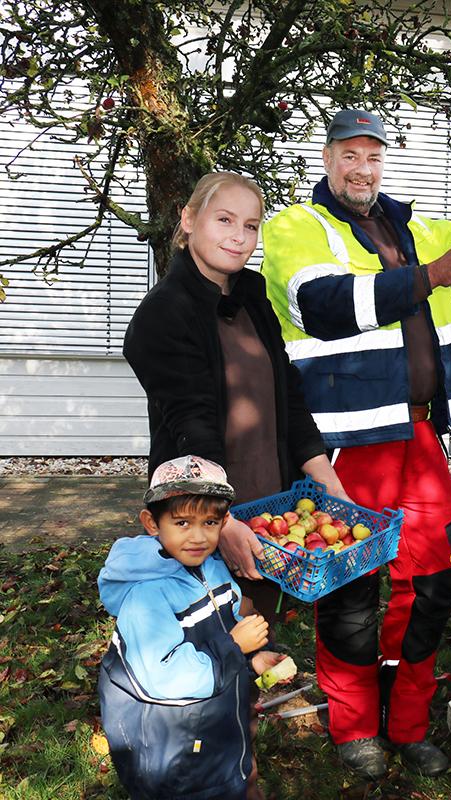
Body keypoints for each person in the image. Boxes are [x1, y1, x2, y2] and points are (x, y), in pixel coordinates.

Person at [259, 109, 451, 778]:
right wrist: (430, 272)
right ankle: (353, 729)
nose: (362, 167)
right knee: (352, 590)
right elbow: (324, 304)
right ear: (326, 158)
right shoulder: (296, 226)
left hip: (423, 434)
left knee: (429, 588)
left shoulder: (412, 224)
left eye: (373, 155)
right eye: (349, 153)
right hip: (350, 439)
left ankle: (405, 724)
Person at [122, 171, 347, 640]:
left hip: (270, 510)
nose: (239, 236)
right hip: (202, 515)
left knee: (256, 641)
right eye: (224, 219)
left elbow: (287, 393)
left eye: (250, 225)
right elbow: (192, 426)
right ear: (188, 219)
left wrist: (328, 480)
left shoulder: (252, 298)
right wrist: (222, 520)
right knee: (205, 648)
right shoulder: (164, 311)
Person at [99, 456, 287, 800]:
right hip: (175, 757)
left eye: (210, 522)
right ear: (152, 523)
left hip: (213, 734)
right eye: (182, 522)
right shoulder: (145, 597)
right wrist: (235, 646)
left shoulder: (212, 568)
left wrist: (252, 660)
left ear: (224, 522)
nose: (198, 537)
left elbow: (220, 630)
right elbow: (166, 678)